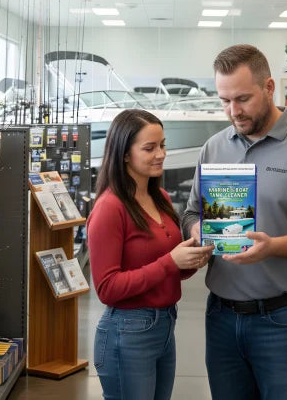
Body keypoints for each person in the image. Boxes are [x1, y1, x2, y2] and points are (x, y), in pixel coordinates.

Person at [181, 45, 287, 400]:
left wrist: (274, 247)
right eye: (225, 100)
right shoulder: (213, 148)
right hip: (221, 318)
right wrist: (197, 230)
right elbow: (190, 212)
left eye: (242, 99)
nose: (233, 111)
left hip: (285, 321)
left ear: (270, 87)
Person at [87, 109, 214, 400]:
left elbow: (170, 268)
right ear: (124, 154)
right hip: (127, 332)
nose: (161, 154)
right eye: (149, 148)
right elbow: (107, 288)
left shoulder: (161, 198)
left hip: (165, 325)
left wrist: (193, 258)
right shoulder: (110, 208)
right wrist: (170, 262)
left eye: (163, 145)